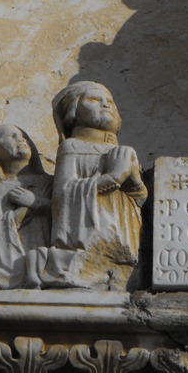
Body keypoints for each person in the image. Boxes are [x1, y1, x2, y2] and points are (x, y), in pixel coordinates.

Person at [43, 81, 147, 287]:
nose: (105, 104)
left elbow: (140, 199)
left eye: (109, 101)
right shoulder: (72, 146)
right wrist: (114, 177)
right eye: (94, 99)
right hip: (88, 238)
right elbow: (63, 194)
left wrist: (134, 179)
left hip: (123, 239)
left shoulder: (123, 151)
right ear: (73, 110)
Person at [0, 124, 51, 289]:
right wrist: (22, 212)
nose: (21, 139)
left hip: (46, 244)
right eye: (12, 136)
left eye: (24, 136)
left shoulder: (47, 182)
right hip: (15, 256)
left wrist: (35, 202)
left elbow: (64, 212)